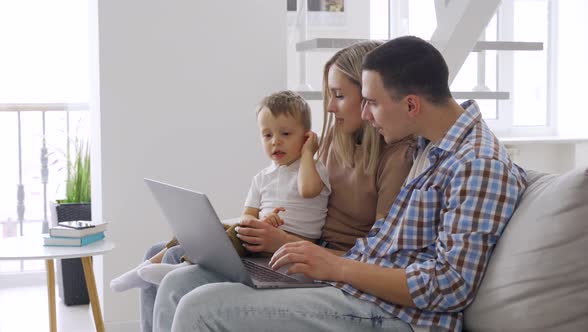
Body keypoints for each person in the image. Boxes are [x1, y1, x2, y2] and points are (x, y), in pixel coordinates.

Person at [152, 36, 528, 332]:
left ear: (412, 105)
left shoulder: (478, 165)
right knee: (180, 285)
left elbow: (449, 286)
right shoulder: (430, 146)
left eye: (373, 104)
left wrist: (335, 267)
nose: (364, 114)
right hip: (354, 288)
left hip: (398, 316)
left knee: (200, 308)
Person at [144, 40, 414, 332]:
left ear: (368, 94)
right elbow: (296, 192)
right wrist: (260, 226)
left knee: (180, 281)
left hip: (328, 267)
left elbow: (380, 260)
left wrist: (280, 241)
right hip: (300, 252)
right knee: (168, 270)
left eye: (338, 95)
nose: (329, 107)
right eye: (328, 95)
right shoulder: (338, 138)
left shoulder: (397, 157)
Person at [110, 91, 331, 292]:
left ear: (306, 136)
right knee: (197, 232)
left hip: (289, 246)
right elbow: (248, 214)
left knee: (228, 236)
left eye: (285, 133)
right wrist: (257, 224)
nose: (276, 142)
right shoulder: (263, 177)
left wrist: (308, 153)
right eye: (267, 135)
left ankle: (181, 270)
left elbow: (308, 190)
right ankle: (145, 267)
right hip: (259, 239)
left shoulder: (313, 168)